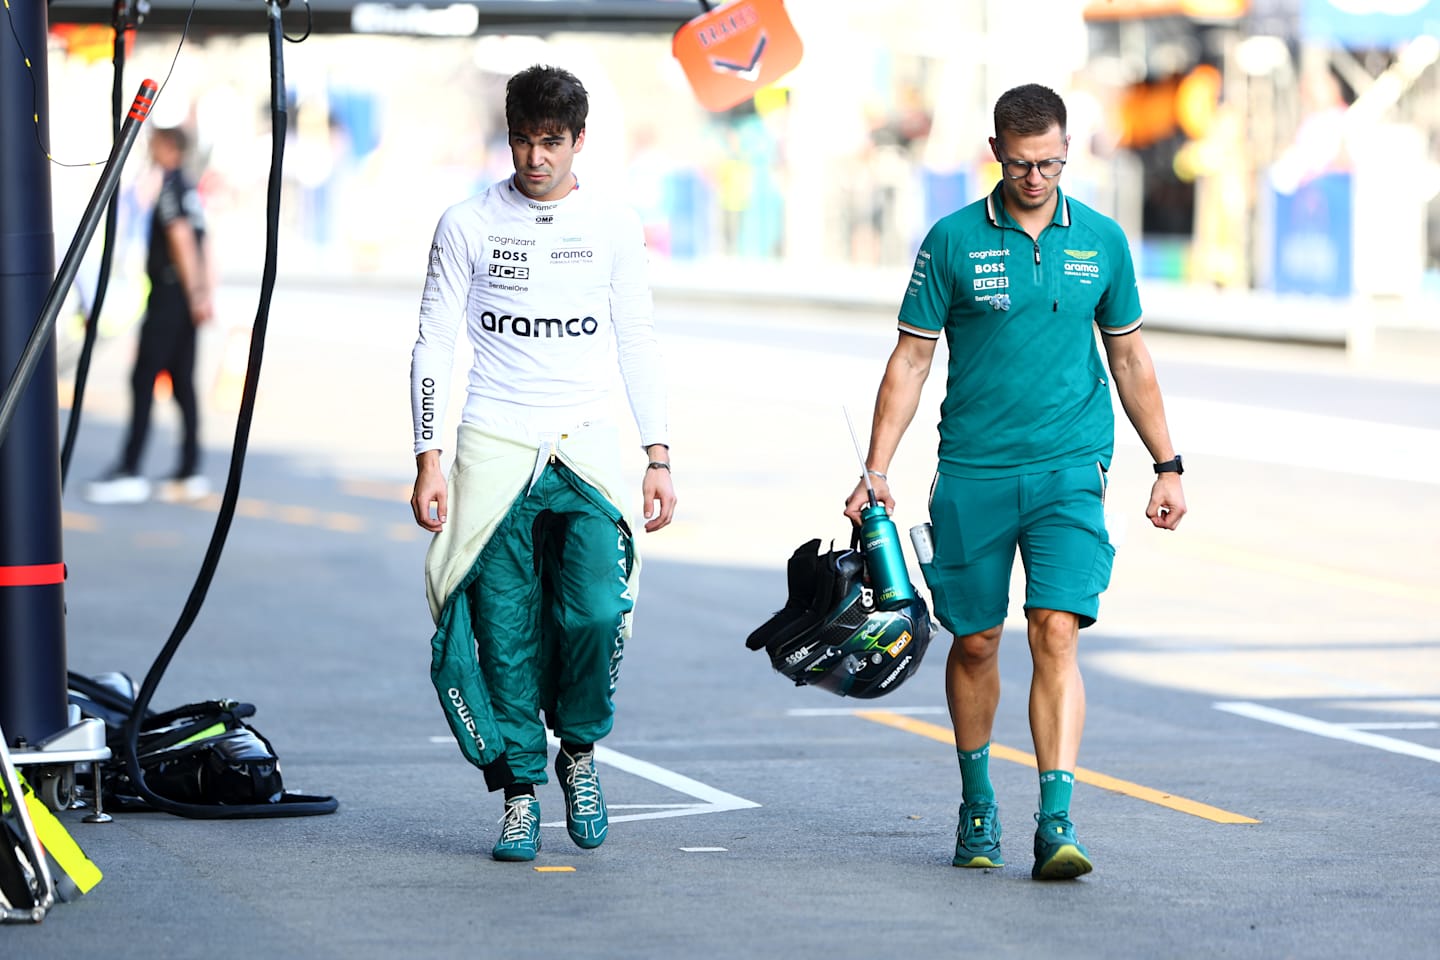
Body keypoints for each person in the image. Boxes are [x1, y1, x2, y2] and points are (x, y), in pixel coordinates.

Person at [844, 83, 1186, 881]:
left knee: (1056, 630)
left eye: (1053, 163)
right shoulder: (954, 240)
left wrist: (1167, 462)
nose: (1038, 177)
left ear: (1069, 153)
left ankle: (1056, 821)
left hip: (1071, 466)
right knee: (976, 640)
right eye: (1024, 163)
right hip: (973, 470)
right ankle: (977, 804)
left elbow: (1130, 357)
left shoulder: (1100, 240)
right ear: (995, 151)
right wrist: (876, 470)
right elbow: (912, 359)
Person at [409, 65, 676, 863]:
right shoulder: (466, 223)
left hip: (590, 443)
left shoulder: (613, 226)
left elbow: (637, 341)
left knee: (595, 611)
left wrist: (658, 453)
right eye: (523, 140)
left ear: (578, 142)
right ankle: (521, 793)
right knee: (504, 634)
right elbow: (434, 342)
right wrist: (428, 456)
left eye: (551, 143)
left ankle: (581, 753)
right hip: (494, 444)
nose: (535, 158)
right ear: (509, 137)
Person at [86, 126, 213, 505]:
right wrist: (203, 294)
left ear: (170, 148)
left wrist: (195, 294)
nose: (150, 149)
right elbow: (203, 241)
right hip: (185, 298)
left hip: (171, 296)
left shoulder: (172, 188)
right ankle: (189, 468)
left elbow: (182, 239)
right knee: (182, 384)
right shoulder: (188, 187)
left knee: (143, 380)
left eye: (156, 143)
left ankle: (130, 468)